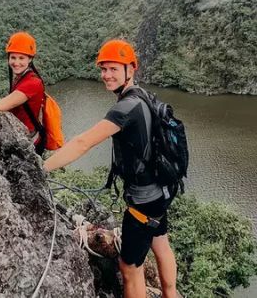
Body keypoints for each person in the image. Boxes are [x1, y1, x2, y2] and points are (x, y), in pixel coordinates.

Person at [43, 39, 179, 298]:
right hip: (161, 191)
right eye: (104, 69)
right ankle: (170, 295)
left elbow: (83, 143)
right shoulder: (143, 97)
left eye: (113, 69)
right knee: (161, 243)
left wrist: (42, 167)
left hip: (143, 201)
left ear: (131, 69)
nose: (106, 75)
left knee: (129, 267)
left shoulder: (126, 108)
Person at [0, 32, 46, 154]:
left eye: (21, 58)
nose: (16, 62)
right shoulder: (22, 77)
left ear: (30, 59)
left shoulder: (32, 83)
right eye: (13, 57)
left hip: (28, 141)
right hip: (22, 133)